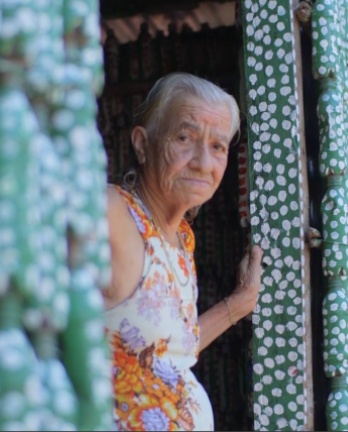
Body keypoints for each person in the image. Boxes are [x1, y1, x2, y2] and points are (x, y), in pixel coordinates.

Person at [104, 72, 264, 431]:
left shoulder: (181, 239)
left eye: (218, 146)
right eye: (184, 137)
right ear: (143, 144)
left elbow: (169, 355)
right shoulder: (113, 213)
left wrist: (238, 305)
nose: (203, 163)